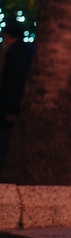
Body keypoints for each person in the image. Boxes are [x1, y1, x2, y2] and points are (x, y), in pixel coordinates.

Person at [0, 19, 34, 170]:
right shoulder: (27, 50)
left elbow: (13, 81)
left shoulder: (16, 53)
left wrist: (10, 109)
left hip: (11, 109)